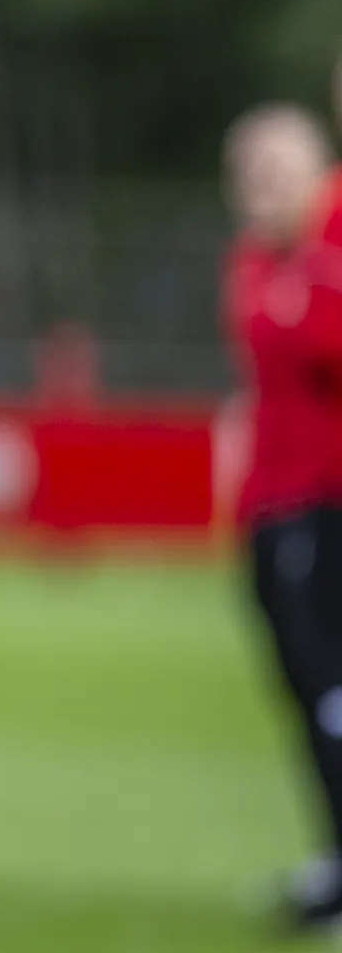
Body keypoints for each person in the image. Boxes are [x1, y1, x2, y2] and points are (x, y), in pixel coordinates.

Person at [221, 103, 342, 933]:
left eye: (281, 171)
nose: (264, 189)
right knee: (305, 691)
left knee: (330, 685)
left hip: (325, 501)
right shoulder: (259, 260)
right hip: (272, 503)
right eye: (251, 173)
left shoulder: (323, 252)